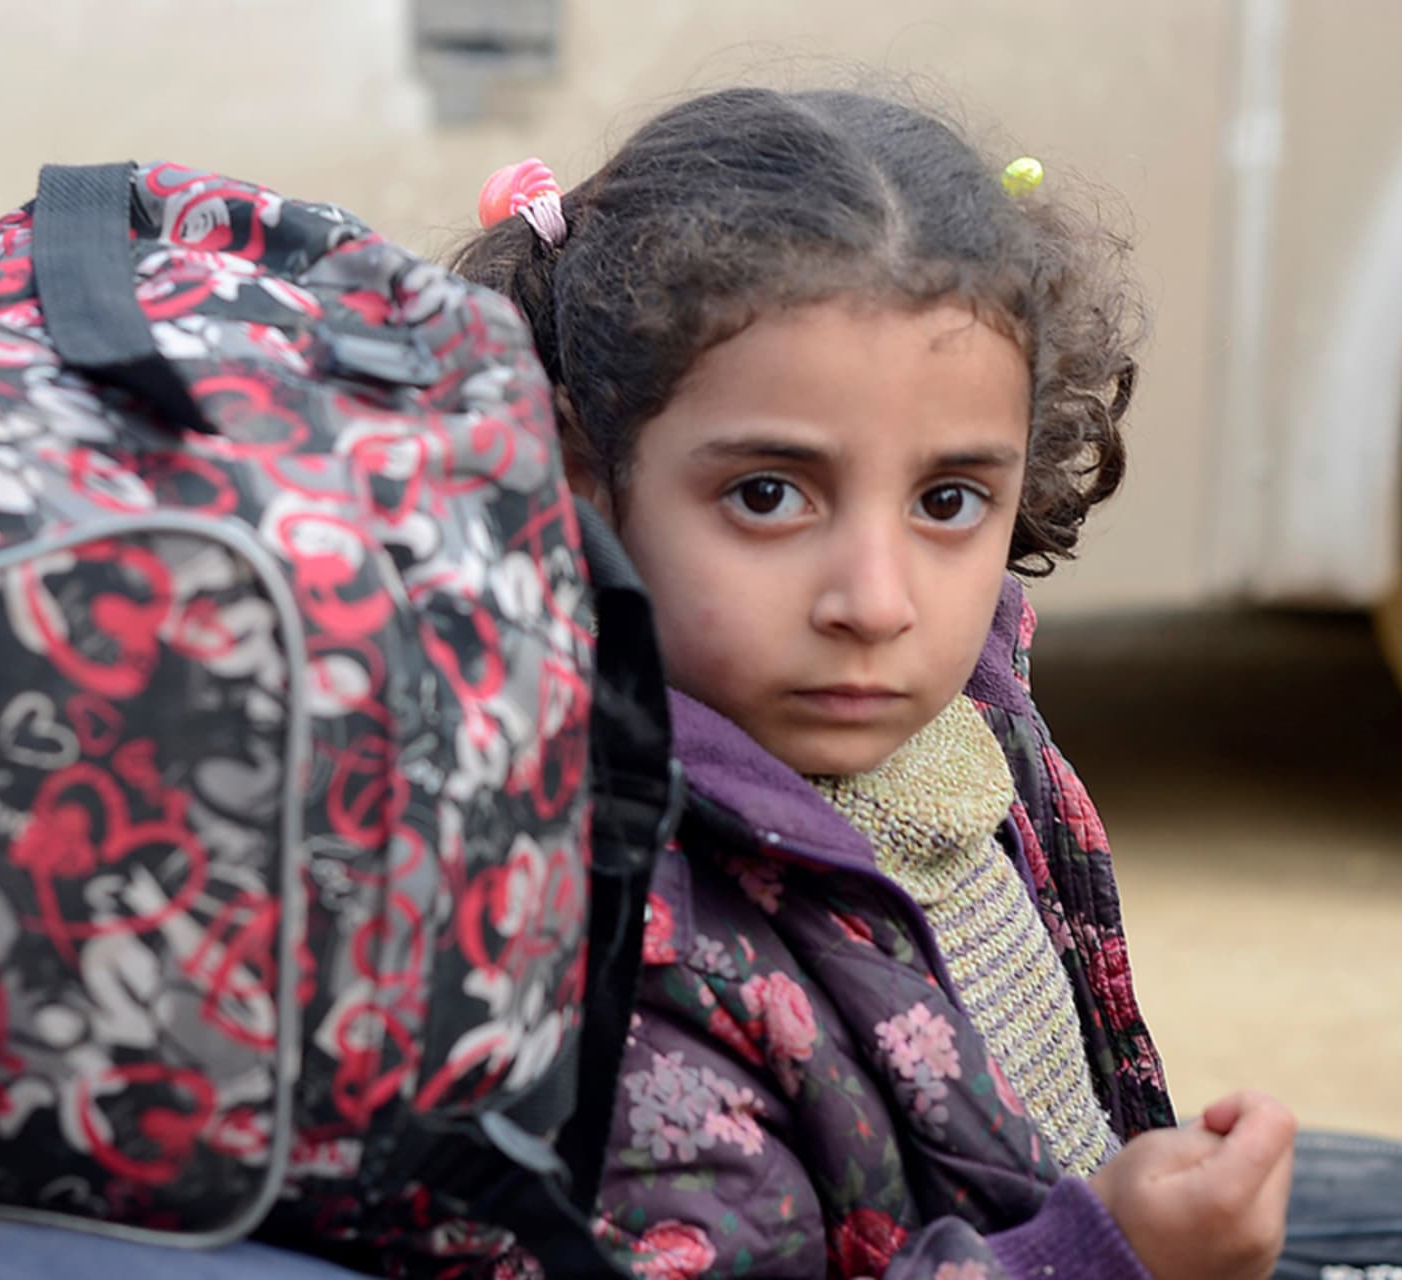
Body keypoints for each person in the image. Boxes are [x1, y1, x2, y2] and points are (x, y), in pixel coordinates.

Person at [453, 86, 1296, 1279]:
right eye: (769, 492)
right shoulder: (623, 933)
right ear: (585, 477)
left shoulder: (967, 737)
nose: (876, 599)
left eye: (948, 501)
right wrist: (1098, 1257)